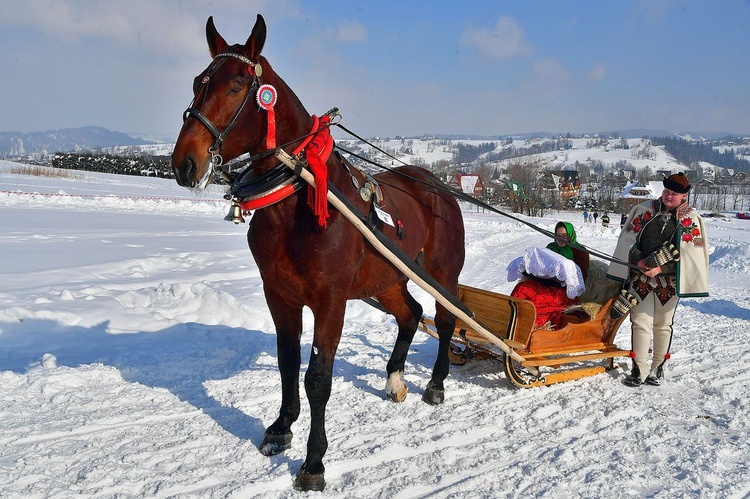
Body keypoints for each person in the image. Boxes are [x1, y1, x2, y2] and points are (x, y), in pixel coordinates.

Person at [607, 173, 709, 387]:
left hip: (668, 284)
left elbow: (692, 257)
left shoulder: (690, 220)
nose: (668, 196)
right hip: (640, 278)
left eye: (674, 193)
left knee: (663, 325)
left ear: (683, 196)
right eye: (666, 192)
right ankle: (639, 368)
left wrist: (661, 268)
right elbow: (628, 241)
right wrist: (641, 262)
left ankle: (658, 368)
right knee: (640, 323)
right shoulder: (645, 211)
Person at [508, 222, 589, 329]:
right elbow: (542, 267)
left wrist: (562, 276)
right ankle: (509, 321)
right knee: (522, 289)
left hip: (565, 292)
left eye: (564, 236)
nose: (560, 239)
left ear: (571, 235)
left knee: (537, 300)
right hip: (545, 284)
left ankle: (529, 330)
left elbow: (581, 277)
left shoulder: (580, 251)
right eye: (558, 236)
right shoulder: (551, 248)